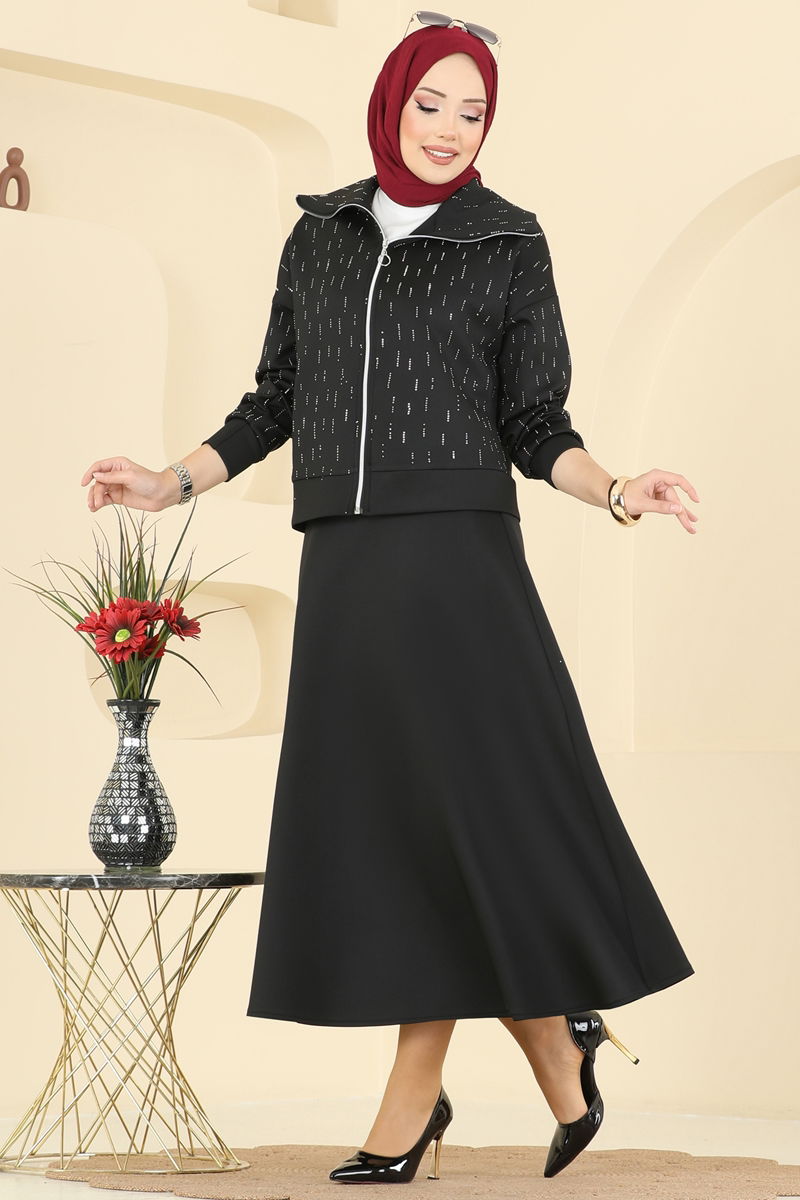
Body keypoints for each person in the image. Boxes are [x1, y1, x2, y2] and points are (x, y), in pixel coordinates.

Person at [80, 13, 700, 1184]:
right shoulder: (319, 236)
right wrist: (168, 483)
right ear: (391, 101)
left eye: (473, 110)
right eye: (431, 103)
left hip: (458, 560)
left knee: (466, 812)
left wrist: (618, 490)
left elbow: (534, 423)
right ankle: (546, 1046)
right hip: (346, 563)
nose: (450, 128)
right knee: (398, 826)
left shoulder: (505, 239)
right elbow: (273, 402)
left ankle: (424, 1098)